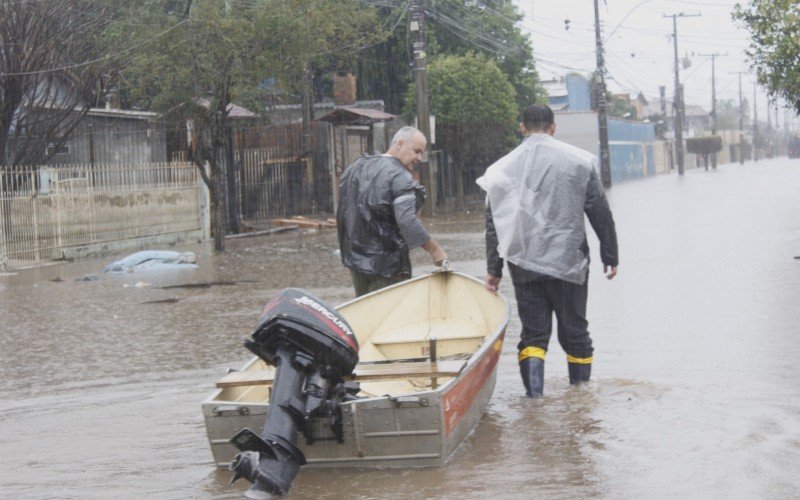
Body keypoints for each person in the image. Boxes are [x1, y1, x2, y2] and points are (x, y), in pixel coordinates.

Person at [476, 104, 618, 398]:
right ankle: (580, 398)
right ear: (553, 127)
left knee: (534, 334)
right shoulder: (578, 162)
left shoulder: (502, 169)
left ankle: (535, 400)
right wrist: (610, 255)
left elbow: (495, 224)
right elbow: (599, 212)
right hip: (569, 261)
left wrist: (494, 269)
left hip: (524, 264)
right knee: (575, 331)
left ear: (522, 127)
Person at [336, 126, 448, 297]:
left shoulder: (355, 168)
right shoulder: (400, 176)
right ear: (400, 144)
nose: (420, 158)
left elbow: (342, 213)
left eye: (421, 153)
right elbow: (407, 220)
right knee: (392, 318)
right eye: (417, 151)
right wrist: (436, 251)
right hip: (388, 267)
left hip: (355, 264)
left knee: (367, 317)